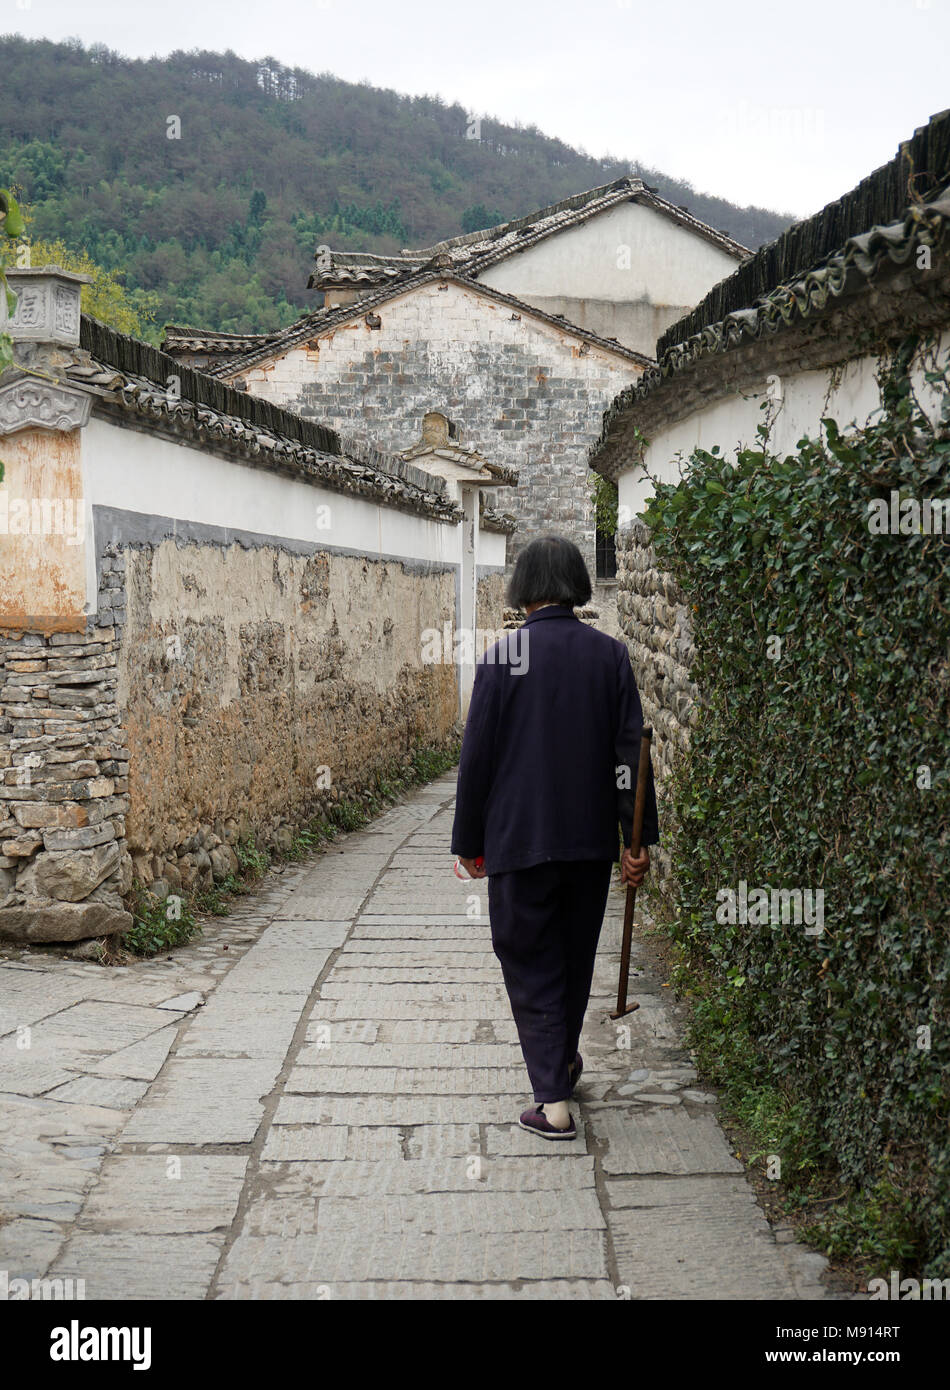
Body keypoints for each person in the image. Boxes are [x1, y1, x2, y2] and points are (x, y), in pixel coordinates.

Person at [451, 534, 659, 1138]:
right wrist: (636, 839)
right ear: (577, 586)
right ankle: (562, 1062)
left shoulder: (501, 659)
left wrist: (469, 842)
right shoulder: (609, 656)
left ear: (523, 592)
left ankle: (552, 1101)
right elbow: (631, 758)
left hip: (519, 842)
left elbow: (477, 761)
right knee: (571, 956)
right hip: (588, 844)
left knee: (528, 955)